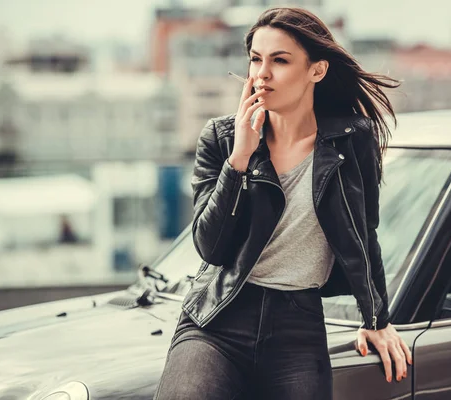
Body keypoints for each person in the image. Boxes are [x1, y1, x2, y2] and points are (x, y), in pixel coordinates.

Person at [154, 6, 412, 400]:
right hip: (218, 319)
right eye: (256, 59)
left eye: (280, 60)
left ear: (317, 70)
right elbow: (211, 247)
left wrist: (376, 319)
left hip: (298, 326)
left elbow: (364, 232)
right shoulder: (222, 138)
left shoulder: (352, 140)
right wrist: (239, 159)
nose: (261, 73)